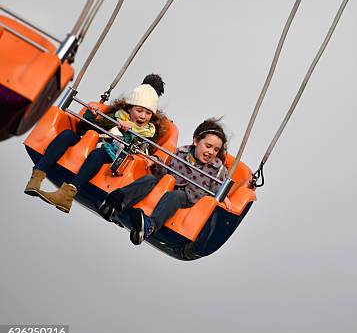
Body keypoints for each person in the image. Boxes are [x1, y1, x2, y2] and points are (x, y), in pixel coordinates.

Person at [23, 74, 166, 213]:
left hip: (117, 156)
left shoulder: (149, 133)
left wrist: (129, 133)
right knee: (68, 135)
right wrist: (94, 115)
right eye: (139, 111)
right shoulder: (116, 116)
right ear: (129, 109)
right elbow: (84, 129)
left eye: (148, 113)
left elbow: (144, 152)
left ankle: (67, 194)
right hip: (95, 141)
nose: (142, 116)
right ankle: (37, 176)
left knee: (99, 154)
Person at [99, 118, 232, 245]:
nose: (211, 152)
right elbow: (166, 172)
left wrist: (224, 196)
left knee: (177, 195)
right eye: (208, 146)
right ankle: (117, 202)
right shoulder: (181, 153)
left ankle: (150, 225)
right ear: (196, 141)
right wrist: (155, 162)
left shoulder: (218, 170)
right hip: (168, 189)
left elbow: (218, 191)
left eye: (216, 150)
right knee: (150, 179)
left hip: (190, 201)